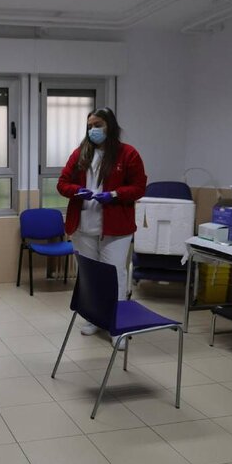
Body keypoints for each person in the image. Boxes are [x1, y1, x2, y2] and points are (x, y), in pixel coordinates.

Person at [57, 107, 147, 342]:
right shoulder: (81, 154)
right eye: (90, 126)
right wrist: (77, 191)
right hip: (84, 225)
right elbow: (62, 184)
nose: (93, 130)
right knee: (90, 276)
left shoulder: (128, 154)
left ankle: (117, 324)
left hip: (116, 228)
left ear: (111, 126)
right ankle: (94, 318)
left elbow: (139, 188)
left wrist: (115, 194)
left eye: (98, 125)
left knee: (115, 274)